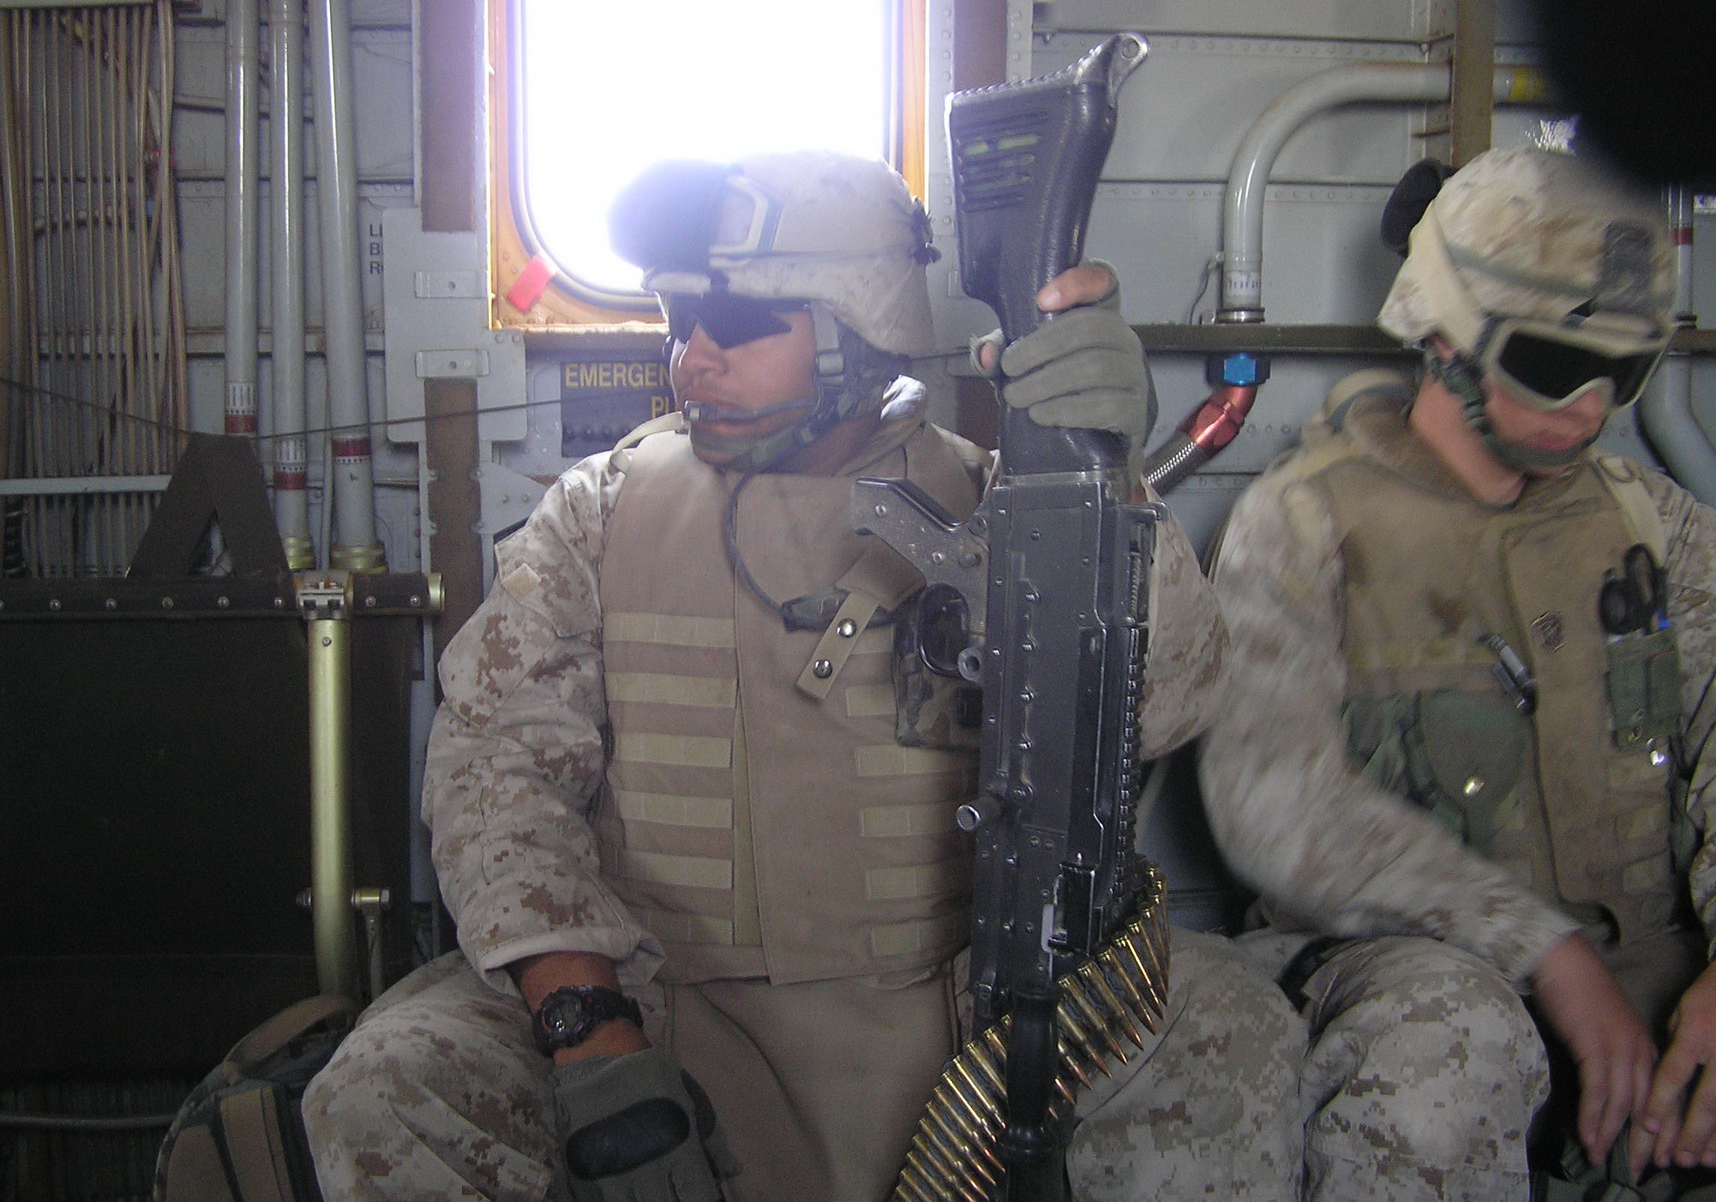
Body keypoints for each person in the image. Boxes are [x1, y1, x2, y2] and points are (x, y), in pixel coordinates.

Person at [302, 150, 1304, 1200]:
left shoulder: (1010, 504)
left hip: (965, 1018)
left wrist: (1106, 479)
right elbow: (496, 774)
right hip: (655, 1007)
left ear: (857, 331)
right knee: (387, 1088)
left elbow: (1166, 703)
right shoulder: (603, 512)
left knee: (1235, 1034)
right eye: (679, 320)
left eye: (736, 325)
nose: (691, 361)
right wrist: (591, 1034)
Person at [1200, 142, 1716, 1201]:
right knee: (1448, 1051)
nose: (1589, 405)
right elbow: (1275, 806)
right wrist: (1543, 950)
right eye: (1551, 363)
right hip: (1407, 978)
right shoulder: (1304, 522)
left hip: (1647, 971)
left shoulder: (1651, 523)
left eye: (1622, 373)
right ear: (1443, 334)